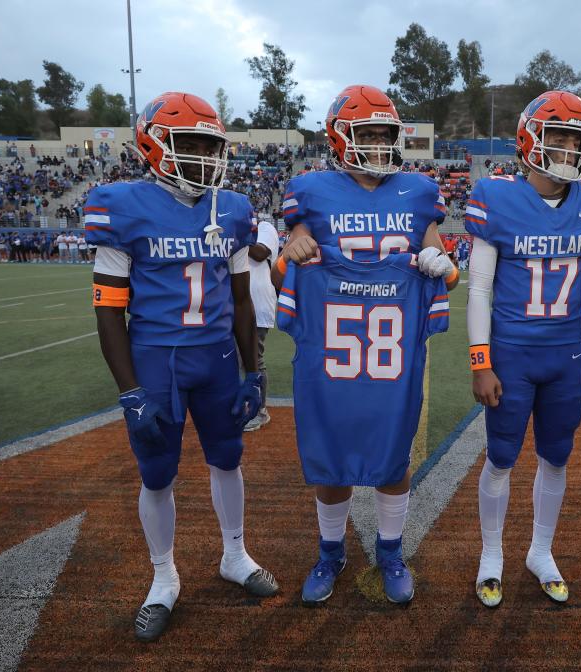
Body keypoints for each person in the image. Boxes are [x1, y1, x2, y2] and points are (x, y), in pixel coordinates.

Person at [87, 91, 278, 643]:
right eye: (188, 144)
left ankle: (235, 556)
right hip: (156, 362)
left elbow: (242, 301)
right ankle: (163, 576)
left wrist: (253, 370)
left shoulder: (233, 209)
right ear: (153, 143)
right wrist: (130, 390)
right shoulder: (122, 206)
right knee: (157, 473)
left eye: (208, 146)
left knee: (228, 459)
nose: (201, 155)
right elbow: (107, 312)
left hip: (217, 357)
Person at [271, 85, 458, 605]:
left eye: (385, 134)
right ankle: (330, 552)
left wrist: (442, 266)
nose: (378, 143)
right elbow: (280, 277)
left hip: (391, 351)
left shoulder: (418, 191)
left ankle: (390, 551)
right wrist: (291, 251)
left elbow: (445, 272)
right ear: (339, 136)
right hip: (331, 350)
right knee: (331, 461)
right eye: (367, 133)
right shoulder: (310, 191)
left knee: (392, 459)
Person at [466, 90, 581, 607]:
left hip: (564, 356)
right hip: (512, 354)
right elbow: (480, 289)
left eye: (576, 140)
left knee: (557, 457)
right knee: (502, 458)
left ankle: (540, 551)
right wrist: (480, 361)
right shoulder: (496, 198)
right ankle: (492, 555)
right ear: (531, 138)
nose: (569, 148)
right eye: (558, 137)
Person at [243, 219, 280, 432]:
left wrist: (235, 236)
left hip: (257, 302)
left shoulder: (265, 227)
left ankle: (260, 411)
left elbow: (259, 253)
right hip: (235, 302)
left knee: (254, 358)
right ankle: (244, 405)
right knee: (234, 359)